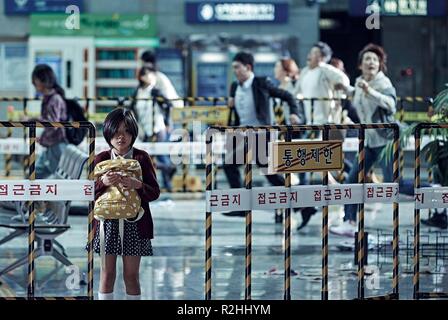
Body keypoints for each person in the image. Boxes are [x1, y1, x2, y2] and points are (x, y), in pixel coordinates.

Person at [329, 44, 426, 237]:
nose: (371, 62)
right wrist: (346, 89)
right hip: (369, 143)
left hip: (386, 142)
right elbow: (357, 96)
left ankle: (433, 190)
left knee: (393, 183)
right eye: (367, 59)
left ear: (380, 64)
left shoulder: (384, 84)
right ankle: (349, 222)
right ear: (360, 65)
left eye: (374, 59)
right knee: (352, 181)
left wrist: (370, 91)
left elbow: (390, 105)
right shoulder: (359, 82)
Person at [221, 51, 305, 218]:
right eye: (233, 68)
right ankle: (302, 205)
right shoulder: (234, 86)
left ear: (248, 67)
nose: (235, 71)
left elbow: (288, 96)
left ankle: (243, 206)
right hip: (242, 134)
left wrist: (295, 114)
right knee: (269, 173)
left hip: (261, 134)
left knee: (231, 164)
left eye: (237, 67)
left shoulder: (261, 83)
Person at [91, 108, 160, 300]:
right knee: (107, 274)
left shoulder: (141, 157)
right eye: (116, 131)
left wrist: (137, 185)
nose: (121, 137)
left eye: (127, 131)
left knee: (131, 276)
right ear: (108, 132)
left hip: (135, 224)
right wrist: (102, 183)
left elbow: (154, 192)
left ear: (134, 133)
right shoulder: (101, 159)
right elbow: (88, 192)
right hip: (107, 224)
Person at [129, 66, 176, 192]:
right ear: (142, 77)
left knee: (161, 154)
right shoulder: (138, 91)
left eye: (152, 75)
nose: (151, 78)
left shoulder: (155, 91)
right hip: (144, 128)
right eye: (148, 75)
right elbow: (132, 107)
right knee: (146, 157)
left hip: (157, 127)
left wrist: (167, 123)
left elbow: (168, 105)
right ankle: (167, 169)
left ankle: (168, 183)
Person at [31, 64, 68, 178]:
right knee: (36, 174)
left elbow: (53, 124)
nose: (35, 85)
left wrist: (42, 138)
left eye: (35, 81)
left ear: (43, 81)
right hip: (53, 145)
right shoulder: (50, 98)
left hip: (56, 145)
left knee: (57, 179)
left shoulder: (54, 99)